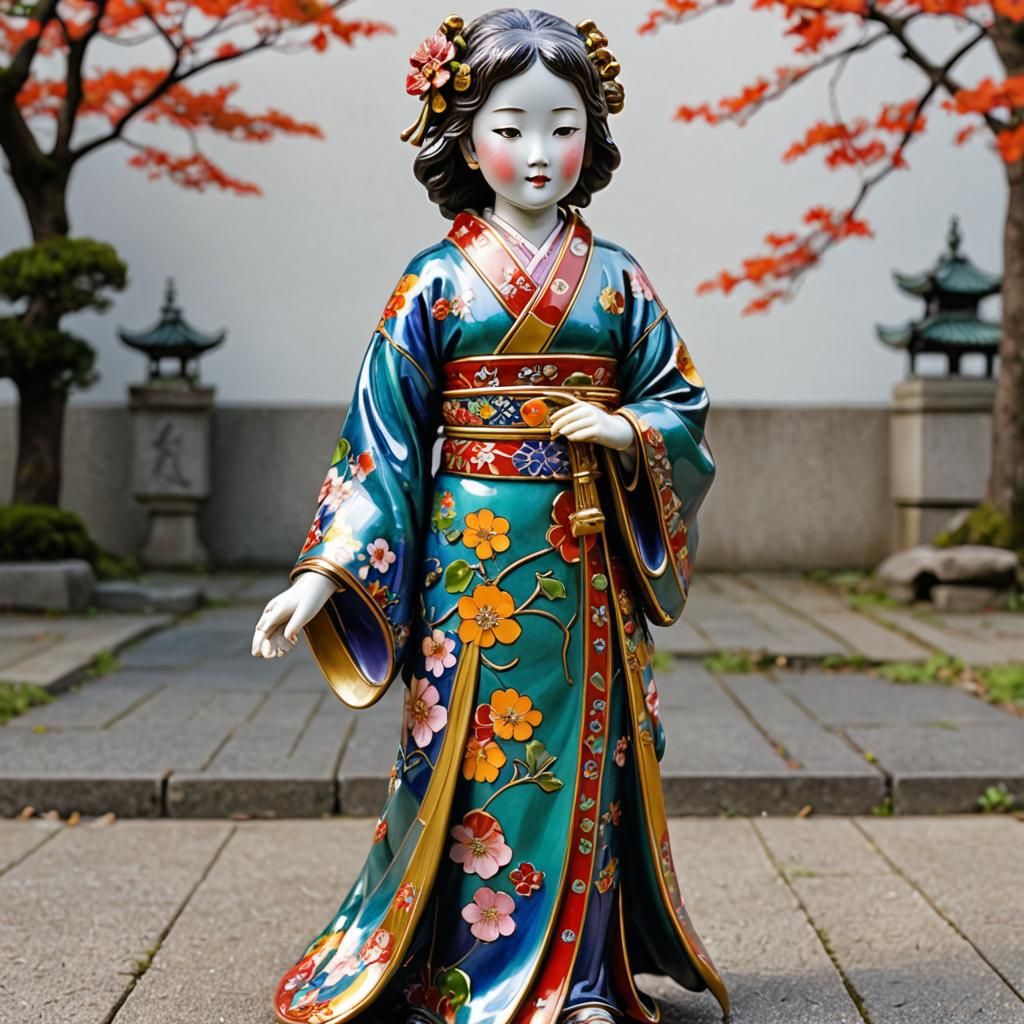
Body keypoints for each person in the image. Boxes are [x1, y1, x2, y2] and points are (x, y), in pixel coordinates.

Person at [251, 9, 729, 1024]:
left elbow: (680, 402)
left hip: (587, 559)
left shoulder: (617, 278)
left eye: (563, 127)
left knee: (588, 753)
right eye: (510, 128)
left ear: (593, 136)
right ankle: (456, 969)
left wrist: (627, 427)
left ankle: (584, 981)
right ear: (465, 141)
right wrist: (324, 574)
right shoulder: (432, 281)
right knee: (468, 754)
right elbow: (380, 439)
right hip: (471, 564)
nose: (538, 151)